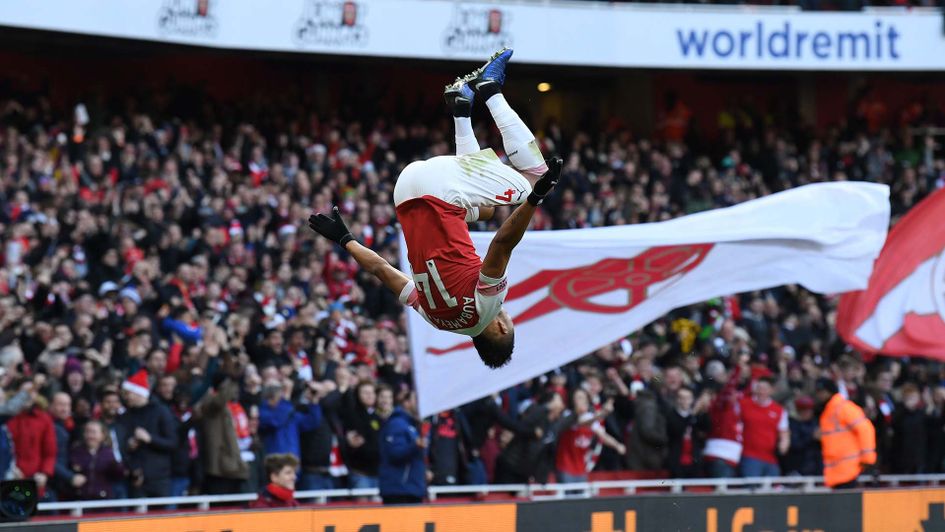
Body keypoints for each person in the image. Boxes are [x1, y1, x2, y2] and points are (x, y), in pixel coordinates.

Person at [308, 47, 563, 369]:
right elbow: (382, 271)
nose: (507, 314)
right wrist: (345, 239)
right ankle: (460, 108)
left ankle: (490, 90)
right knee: (482, 211)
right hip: (405, 192)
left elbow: (502, 243)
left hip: (437, 190)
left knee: (536, 178)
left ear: (499, 327)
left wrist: (535, 199)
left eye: (509, 320)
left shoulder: (489, 305)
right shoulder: (436, 320)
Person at [116, 369, 178, 498]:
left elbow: (172, 443)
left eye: (129, 393)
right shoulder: (125, 416)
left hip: (160, 478)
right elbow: (121, 446)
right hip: (136, 477)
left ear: (139, 393)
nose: (126, 397)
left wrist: (150, 439)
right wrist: (129, 445)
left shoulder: (161, 411)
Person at [815, 378, 877, 489]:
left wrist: (868, 459)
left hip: (850, 470)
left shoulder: (844, 407)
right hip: (837, 473)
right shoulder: (828, 411)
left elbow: (865, 429)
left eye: (821, 392)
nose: (819, 395)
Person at [378, 392, 426, 505]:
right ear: (406, 403)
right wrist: (415, 446)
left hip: (410, 488)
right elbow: (395, 454)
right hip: (400, 490)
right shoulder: (397, 424)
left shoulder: (412, 425)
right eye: (416, 399)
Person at [739, 376, 789, 477]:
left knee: (773, 488)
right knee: (753, 488)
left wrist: (784, 444)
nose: (762, 392)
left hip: (770, 458)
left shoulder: (778, 410)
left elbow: (784, 432)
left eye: (765, 389)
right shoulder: (744, 404)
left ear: (771, 390)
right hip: (749, 456)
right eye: (759, 388)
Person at [67, 420, 125, 500]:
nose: (90, 436)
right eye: (87, 432)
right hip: (80, 499)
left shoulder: (108, 453)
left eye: (93, 432)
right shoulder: (76, 451)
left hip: (103, 499)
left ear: (102, 435)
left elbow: (119, 475)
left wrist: (116, 466)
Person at [783, 395, 822, 476]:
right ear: (798, 410)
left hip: (816, 467)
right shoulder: (792, 424)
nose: (806, 412)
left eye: (808, 409)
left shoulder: (817, 423)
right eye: (803, 409)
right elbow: (795, 445)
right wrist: (812, 437)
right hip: (798, 467)